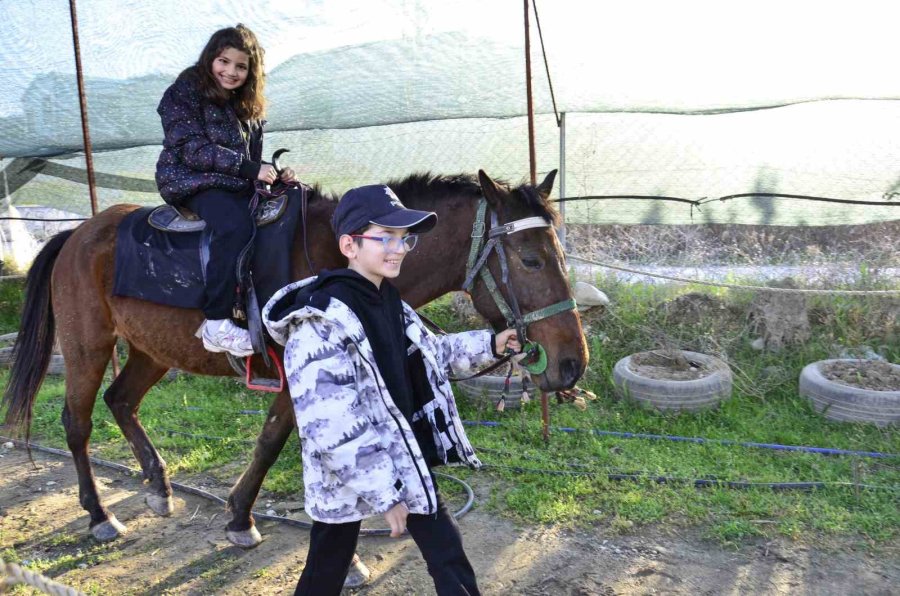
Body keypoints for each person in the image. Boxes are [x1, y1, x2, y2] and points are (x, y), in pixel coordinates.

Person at [263, 184, 521, 595]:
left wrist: (492, 345)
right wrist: (386, 493)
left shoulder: (390, 303)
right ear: (349, 244)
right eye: (385, 237)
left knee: (447, 554)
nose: (398, 248)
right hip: (352, 470)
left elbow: (434, 353)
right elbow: (331, 424)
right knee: (325, 570)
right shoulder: (319, 324)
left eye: (404, 238)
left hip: (403, 455)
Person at [155, 24, 297, 356]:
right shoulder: (183, 92)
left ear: (251, 72)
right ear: (210, 59)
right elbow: (192, 149)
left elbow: (251, 159)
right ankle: (217, 322)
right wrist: (251, 170)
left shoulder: (246, 106)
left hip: (234, 181)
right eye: (224, 61)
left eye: (241, 66)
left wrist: (274, 175)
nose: (230, 72)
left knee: (289, 206)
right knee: (235, 225)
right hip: (190, 180)